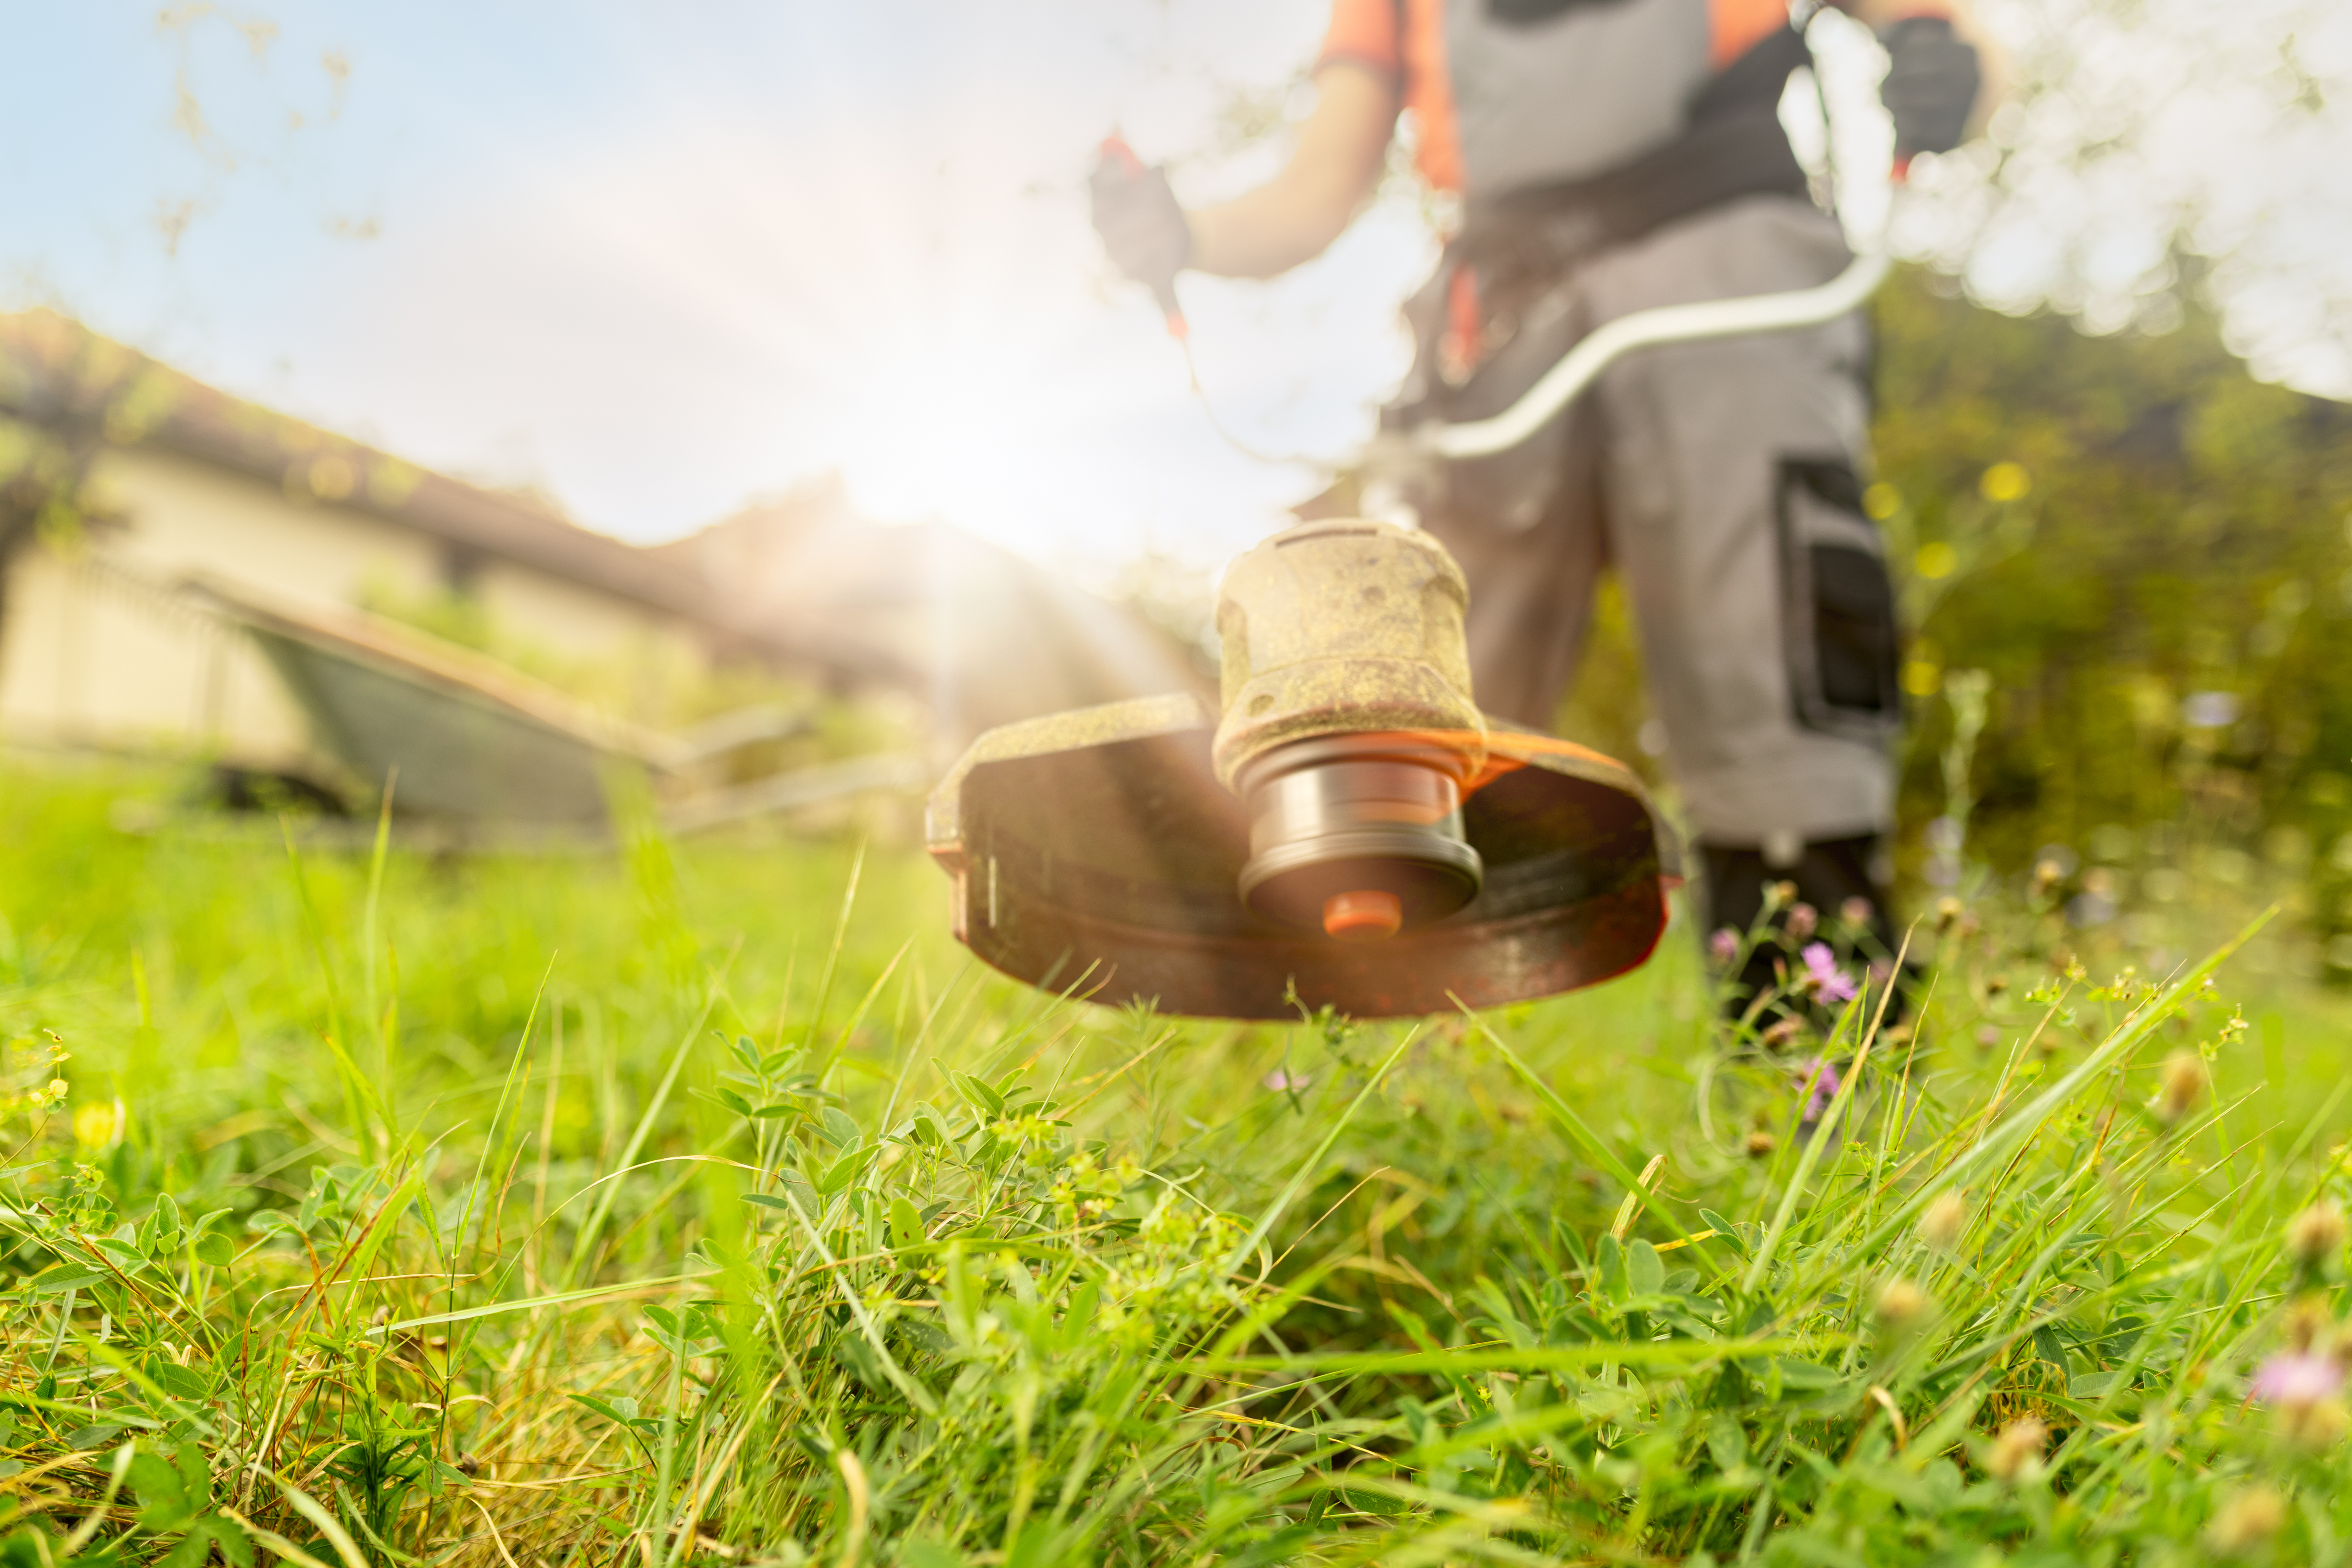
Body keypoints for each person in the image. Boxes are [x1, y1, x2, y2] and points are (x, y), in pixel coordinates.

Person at [1091, 0, 1995, 1013]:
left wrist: (1948, 68)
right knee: (1413, 708)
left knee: (1770, 687)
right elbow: (1314, 194)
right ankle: (1396, 1095)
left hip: (1728, 275)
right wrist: (1182, 234)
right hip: (1504, 317)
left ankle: (1822, 1079)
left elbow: (1939, 23)